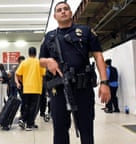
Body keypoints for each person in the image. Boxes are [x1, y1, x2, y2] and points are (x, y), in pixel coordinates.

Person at [39, 1, 110, 144]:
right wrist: (48, 62)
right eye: (59, 10)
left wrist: (104, 82)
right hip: (59, 89)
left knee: (86, 130)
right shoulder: (50, 37)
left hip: (83, 88)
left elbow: (98, 56)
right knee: (59, 130)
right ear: (55, 16)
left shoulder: (85, 31)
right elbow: (40, 60)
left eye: (66, 9)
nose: (63, 11)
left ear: (71, 13)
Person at [15, 47, 45, 131]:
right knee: (33, 107)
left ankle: (24, 120)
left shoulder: (24, 62)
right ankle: (29, 124)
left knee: (26, 105)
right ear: (35, 53)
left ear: (28, 53)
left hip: (26, 88)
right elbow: (43, 74)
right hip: (36, 88)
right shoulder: (39, 62)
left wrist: (23, 81)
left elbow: (17, 74)